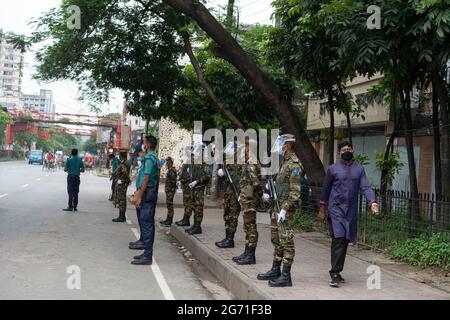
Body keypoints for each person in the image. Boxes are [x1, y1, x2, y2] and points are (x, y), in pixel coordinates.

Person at [319, 141, 379, 288]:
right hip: (336, 209)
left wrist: (372, 202)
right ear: (339, 152)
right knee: (338, 238)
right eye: (344, 149)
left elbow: (365, 186)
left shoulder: (359, 169)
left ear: (353, 151)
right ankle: (334, 273)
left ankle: (337, 272)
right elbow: (325, 189)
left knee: (345, 239)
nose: (347, 151)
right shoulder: (333, 169)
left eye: (349, 149)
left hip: (350, 211)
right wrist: (322, 208)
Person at [257, 134, 301, 287]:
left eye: (280, 144)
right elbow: (280, 185)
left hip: (285, 210)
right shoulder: (283, 162)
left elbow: (295, 192)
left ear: (287, 145)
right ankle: (275, 269)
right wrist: (269, 192)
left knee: (287, 241)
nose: (278, 147)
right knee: (277, 240)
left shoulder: (294, 164)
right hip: (277, 207)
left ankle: (286, 276)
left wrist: (284, 209)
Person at [130, 135, 160, 265]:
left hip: (147, 193)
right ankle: (145, 248)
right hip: (147, 192)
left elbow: (146, 178)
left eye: (144, 143)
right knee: (145, 221)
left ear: (147, 145)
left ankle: (147, 255)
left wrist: (139, 195)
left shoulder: (149, 159)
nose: (143, 145)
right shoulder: (153, 158)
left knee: (147, 223)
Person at [232, 139, 262, 265]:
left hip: (249, 200)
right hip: (246, 199)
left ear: (250, 148)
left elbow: (255, 183)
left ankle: (250, 255)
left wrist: (246, 194)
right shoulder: (248, 162)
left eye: (245, 147)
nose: (244, 149)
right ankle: (247, 252)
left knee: (250, 227)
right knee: (247, 226)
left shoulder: (251, 164)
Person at [215, 143, 242, 249]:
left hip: (236, 193)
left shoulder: (241, 163)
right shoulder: (227, 162)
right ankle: (227, 238)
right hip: (228, 193)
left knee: (233, 216)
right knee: (227, 216)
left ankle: (230, 239)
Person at [184, 151, 211, 235]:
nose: (192, 158)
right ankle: (195, 225)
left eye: (194, 156)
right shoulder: (194, 166)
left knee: (198, 208)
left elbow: (207, 176)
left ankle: (197, 226)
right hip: (193, 190)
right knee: (194, 206)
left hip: (199, 190)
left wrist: (197, 181)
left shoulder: (203, 165)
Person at [112, 150, 131, 223]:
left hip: (122, 183)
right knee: (122, 199)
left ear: (121, 156)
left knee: (121, 199)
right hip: (123, 182)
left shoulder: (123, 163)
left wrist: (127, 180)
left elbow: (125, 172)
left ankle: (121, 216)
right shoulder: (126, 162)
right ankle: (122, 216)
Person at [175, 155, 194, 227]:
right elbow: (182, 173)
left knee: (188, 203)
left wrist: (182, 180)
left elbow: (190, 176)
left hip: (189, 186)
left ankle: (186, 219)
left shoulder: (192, 165)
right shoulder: (187, 163)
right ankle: (185, 219)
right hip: (185, 186)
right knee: (185, 203)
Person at [160, 157, 178, 227]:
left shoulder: (172, 171)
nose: (166, 164)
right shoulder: (170, 170)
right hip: (169, 190)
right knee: (168, 205)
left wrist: (170, 189)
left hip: (170, 190)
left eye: (167, 162)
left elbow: (173, 181)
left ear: (170, 162)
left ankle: (169, 220)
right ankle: (168, 219)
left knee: (170, 205)